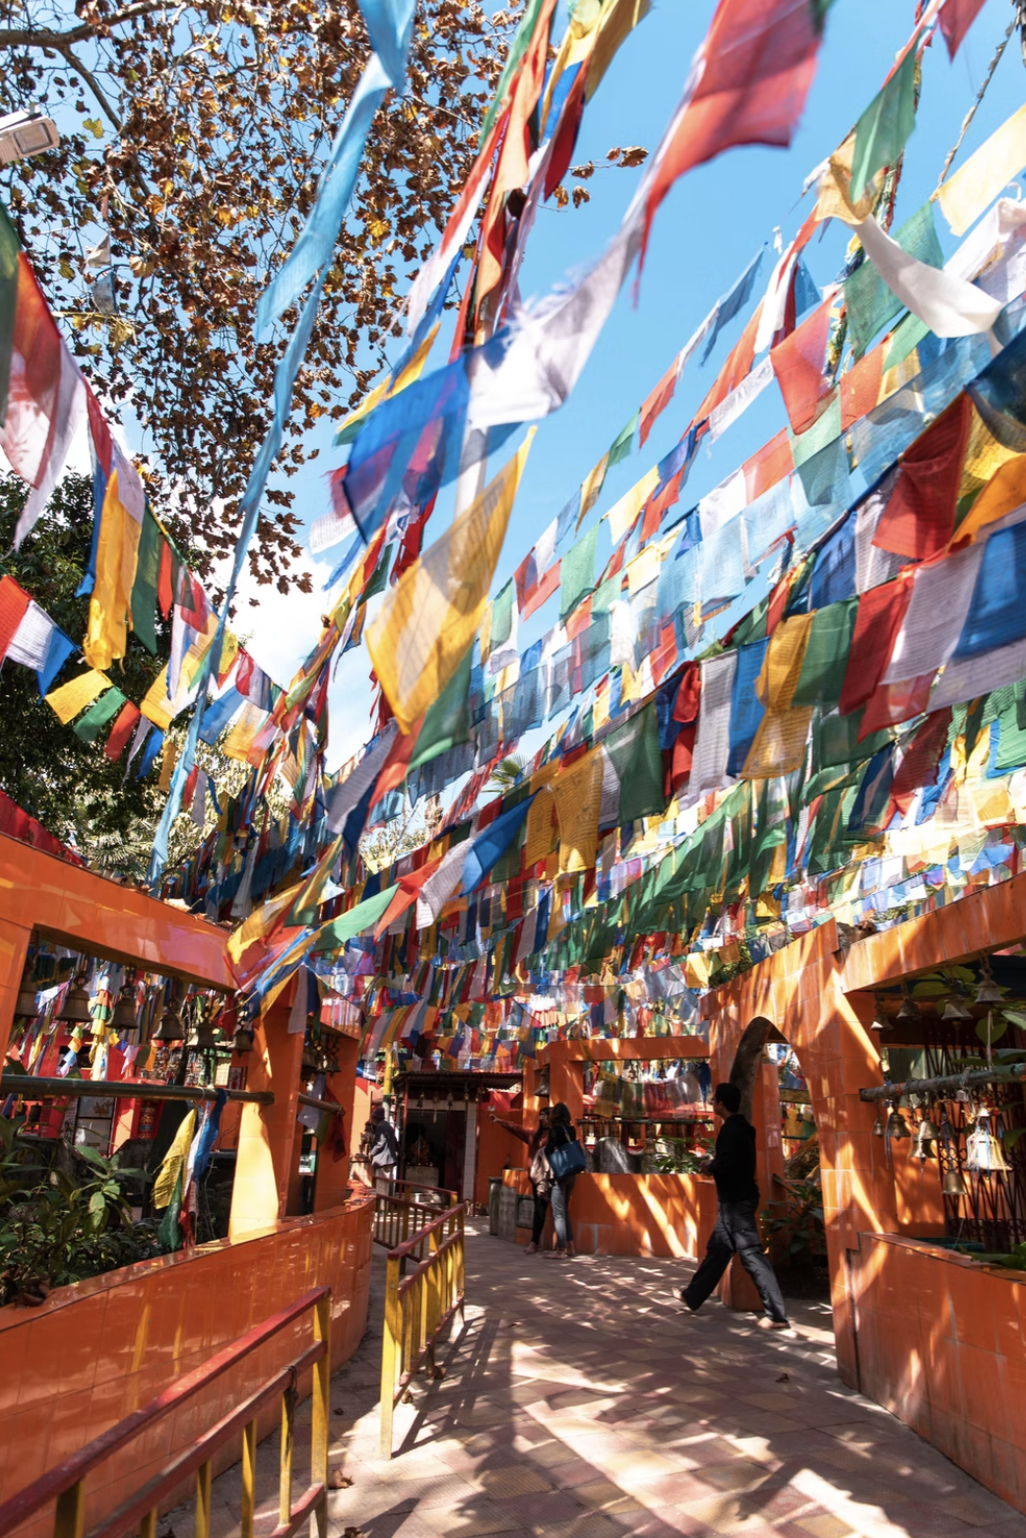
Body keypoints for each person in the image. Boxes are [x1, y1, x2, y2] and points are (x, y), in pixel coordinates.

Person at [680, 1082, 790, 1330]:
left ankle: (777, 1315)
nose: (712, 1104)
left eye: (714, 1100)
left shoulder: (730, 1130)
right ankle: (692, 1295)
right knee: (718, 1250)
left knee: (751, 1256)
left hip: (736, 1202)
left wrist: (710, 1167)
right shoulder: (743, 1127)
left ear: (721, 1104)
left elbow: (727, 1163)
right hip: (736, 1199)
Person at [491, 1105, 552, 1253]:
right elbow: (517, 1129)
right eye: (541, 1116)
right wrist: (500, 1121)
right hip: (538, 1179)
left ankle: (563, 1245)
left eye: (546, 1115)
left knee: (557, 1212)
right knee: (539, 1210)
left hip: (553, 1178)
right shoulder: (534, 1135)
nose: (542, 1118)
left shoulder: (555, 1136)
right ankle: (535, 1242)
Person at [542, 1101, 579, 1259]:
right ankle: (570, 1246)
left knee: (558, 1213)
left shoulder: (555, 1130)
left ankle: (561, 1249)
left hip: (560, 1173)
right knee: (564, 1211)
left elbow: (549, 1149)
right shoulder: (571, 1129)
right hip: (572, 1172)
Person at [366, 1104, 399, 1194]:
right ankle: (385, 1207)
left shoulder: (380, 1127)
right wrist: (401, 1153)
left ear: (376, 1118)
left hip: (382, 1162)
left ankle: (381, 1208)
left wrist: (371, 1153)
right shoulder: (389, 1127)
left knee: (380, 1187)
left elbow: (380, 1143)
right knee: (386, 1187)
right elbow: (395, 1142)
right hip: (390, 1161)